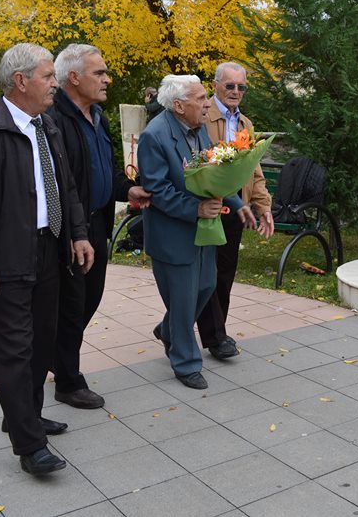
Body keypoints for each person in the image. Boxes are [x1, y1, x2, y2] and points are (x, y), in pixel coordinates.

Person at [0, 43, 95, 476]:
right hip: (4, 258)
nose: (55, 84)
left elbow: (65, 187)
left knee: (39, 345)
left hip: (48, 250)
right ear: (21, 81)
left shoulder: (45, 125)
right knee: (12, 351)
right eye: (48, 76)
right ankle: (30, 446)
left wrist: (79, 234)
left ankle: (23, 416)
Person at [48, 44, 152, 409]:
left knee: (90, 299)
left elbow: (104, 170)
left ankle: (56, 356)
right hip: (71, 233)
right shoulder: (54, 119)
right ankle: (68, 381)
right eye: (100, 73)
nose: (107, 79)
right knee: (72, 306)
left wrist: (129, 189)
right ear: (74, 77)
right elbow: (61, 183)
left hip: (98, 226)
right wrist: (75, 233)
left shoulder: (99, 117)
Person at [137, 75, 255, 389]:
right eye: (200, 98)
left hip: (203, 231)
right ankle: (186, 362)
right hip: (173, 235)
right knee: (185, 299)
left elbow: (212, 170)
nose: (206, 104)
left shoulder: (198, 129)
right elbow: (157, 190)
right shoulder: (155, 136)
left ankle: (169, 328)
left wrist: (235, 201)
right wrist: (196, 209)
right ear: (178, 105)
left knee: (205, 288)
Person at [197, 63, 274, 360]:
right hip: (207, 205)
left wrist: (263, 205)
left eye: (241, 87)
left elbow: (253, 170)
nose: (236, 92)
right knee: (206, 274)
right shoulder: (203, 117)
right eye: (230, 86)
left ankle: (176, 329)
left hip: (235, 207)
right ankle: (216, 338)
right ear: (215, 85)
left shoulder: (246, 124)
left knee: (225, 274)